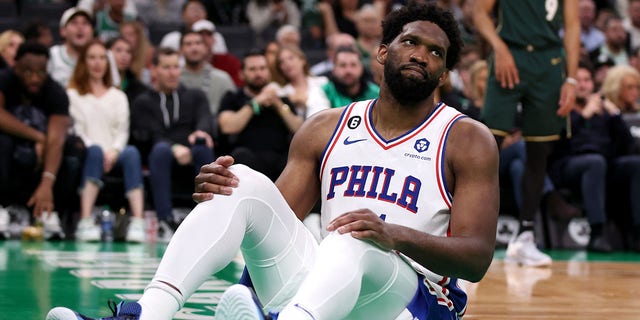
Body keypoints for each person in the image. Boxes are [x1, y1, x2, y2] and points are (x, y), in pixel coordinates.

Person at [46, 3, 500, 320]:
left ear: (444, 73)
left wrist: (392, 234)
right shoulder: (326, 127)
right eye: (411, 42)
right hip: (325, 294)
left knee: (353, 237)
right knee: (242, 179)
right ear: (383, 53)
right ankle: (149, 314)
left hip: (411, 303)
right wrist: (225, 200)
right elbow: (270, 224)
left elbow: (476, 258)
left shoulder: (466, 139)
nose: (421, 54)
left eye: (436, 53)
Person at [474, 0, 580, 267]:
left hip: (549, 61)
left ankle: (525, 236)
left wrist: (572, 79)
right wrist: (499, 47)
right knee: (488, 144)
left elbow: (573, 25)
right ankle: (466, 231)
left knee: (539, 151)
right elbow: (479, 13)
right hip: (509, 52)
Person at [548, 64, 640, 252]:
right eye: (578, 81)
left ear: (593, 85)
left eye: (587, 80)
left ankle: (637, 233)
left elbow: (628, 144)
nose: (583, 85)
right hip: (568, 165)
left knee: (635, 165)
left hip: (603, 164)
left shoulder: (604, 111)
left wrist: (614, 114)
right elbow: (555, 142)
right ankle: (596, 233)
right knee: (595, 162)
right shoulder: (560, 108)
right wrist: (583, 116)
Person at [130, 47, 215, 240]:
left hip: (191, 149)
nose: (172, 72)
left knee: (203, 146)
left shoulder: (195, 96)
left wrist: (201, 131)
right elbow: (149, 134)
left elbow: (205, 118)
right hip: (160, 152)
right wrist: (174, 147)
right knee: (160, 150)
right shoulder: (143, 101)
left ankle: (208, 218)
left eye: (176, 67)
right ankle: (164, 220)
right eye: (166, 67)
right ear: (155, 70)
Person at [0, 42, 82, 240]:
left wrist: (47, 183)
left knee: (73, 147)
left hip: (41, 161)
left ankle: (49, 212)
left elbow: (57, 138)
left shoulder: (56, 92)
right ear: (15, 65)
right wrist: (38, 137)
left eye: (41, 72)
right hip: (11, 154)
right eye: (28, 71)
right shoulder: (4, 81)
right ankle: (2, 207)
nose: (35, 78)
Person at [67, 40, 145, 242]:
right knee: (94, 151)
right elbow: (78, 130)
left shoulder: (118, 96)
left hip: (114, 154)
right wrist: (100, 151)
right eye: (92, 57)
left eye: (102, 58)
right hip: (88, 152)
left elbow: (122, 131)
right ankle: (85, 221)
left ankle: (138, 222)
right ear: (83, 62)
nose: (97, 63)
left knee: (132, 153)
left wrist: (114, 151)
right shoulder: (73, 95)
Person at [217, 49, 303, 181]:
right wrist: (255, 103)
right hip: (248, 159)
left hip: (279, 160)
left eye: (262, 68)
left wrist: (278, 104)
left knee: (297, 159)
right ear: (242, 74)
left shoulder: (282, 100)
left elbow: (299, 129)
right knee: (241, 156)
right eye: (252, 69)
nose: (258, 73)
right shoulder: (232, 98)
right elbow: (228, 126)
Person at [179, 31, 235, 127]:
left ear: (206, 48)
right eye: (188, 44)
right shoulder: (173, 79)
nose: (194, 48)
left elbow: (233, 112)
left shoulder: (222, 78)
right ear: (180, 50)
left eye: (198, 43)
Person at [272, 44, 330, 119]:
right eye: (281, 62)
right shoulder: (282, 92)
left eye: (291, 58)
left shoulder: (323, 82)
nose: (287, 63)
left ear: (302, 60)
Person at [48, 7, 95, 87]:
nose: (80, 27)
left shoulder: (103, 55)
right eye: (74, 23)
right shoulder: (52, 55)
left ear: (92, 31)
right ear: (63, 31)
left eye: (85, 23)